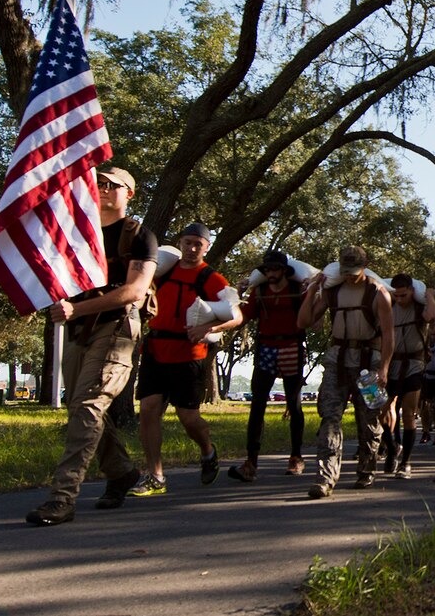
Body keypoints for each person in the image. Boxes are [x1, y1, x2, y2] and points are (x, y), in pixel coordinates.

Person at [27, 164, 156, 526]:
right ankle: (122, 474)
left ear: (129, 193)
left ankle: (62, 498)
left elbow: (133, 291)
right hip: (78, 330)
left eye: (112, 185)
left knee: (86, 406)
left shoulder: (140, 236)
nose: (102, 189)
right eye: (97, 183)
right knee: (80, 408)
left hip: (115, 330)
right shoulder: (74, 233)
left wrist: (76, 307)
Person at [127, 223, 238, 497]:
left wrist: (209, 328)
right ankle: (155, 475)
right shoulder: (163, 270)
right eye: (187, 242)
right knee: (149, 409)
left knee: (188, 418)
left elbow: (236, 316)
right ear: (180, 242)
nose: (191, 249)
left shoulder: (212, 279)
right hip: (155, 349)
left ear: (206, 247)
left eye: (197, 244)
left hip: (188, 355)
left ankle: (207, 451)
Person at [298, 247, 394, 498]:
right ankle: (325, 478)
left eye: (355, 272)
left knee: (369, 421)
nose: (351, 277)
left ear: (365, 265)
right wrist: (311, 292)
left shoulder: (378, 294)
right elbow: (304, 321)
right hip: (337, 361)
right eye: (346, 272)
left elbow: (388, 335)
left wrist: (384, 368)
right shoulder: (332, 291)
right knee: (329, 417)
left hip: (368, 364)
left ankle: (366, 469)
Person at [230, 249, 307, 481]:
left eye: (275, 269)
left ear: (284, 270)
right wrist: (235, 297)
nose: (271, 273)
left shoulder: (296, 290)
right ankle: (251, 462)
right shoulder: (259, 290)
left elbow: (309, 315)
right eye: (267, 269)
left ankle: (296, 457)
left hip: (292, 347)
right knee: (257, 405)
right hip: (265, 349)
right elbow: (245, 315)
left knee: (293, 404)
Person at [380, 273, 435, 477]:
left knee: (408, 413)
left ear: (412, 292)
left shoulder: (418, 308)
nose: (399, 299)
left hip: (414, 364)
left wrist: (429, 295)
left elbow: (434, 316)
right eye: (396, 295)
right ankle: (392, 447)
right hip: (391, 363)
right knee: (382, 410)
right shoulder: (389, 308)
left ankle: (406, 462)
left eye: (403, 295)